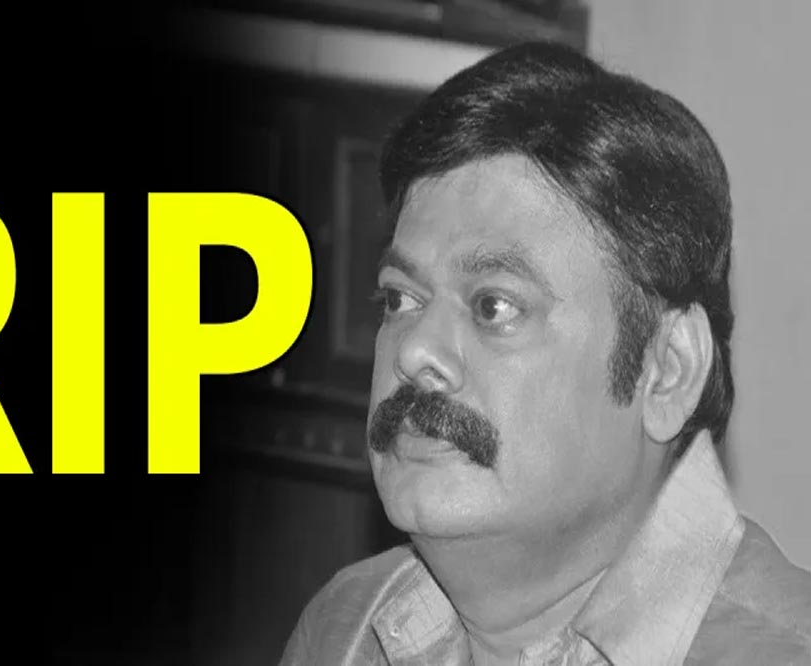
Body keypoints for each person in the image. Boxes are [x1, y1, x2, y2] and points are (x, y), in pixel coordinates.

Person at [280, 41, 811, 665]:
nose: (415, 349)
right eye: (400, 299)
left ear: (667, 370)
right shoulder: (344, 631)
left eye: (494, 306)